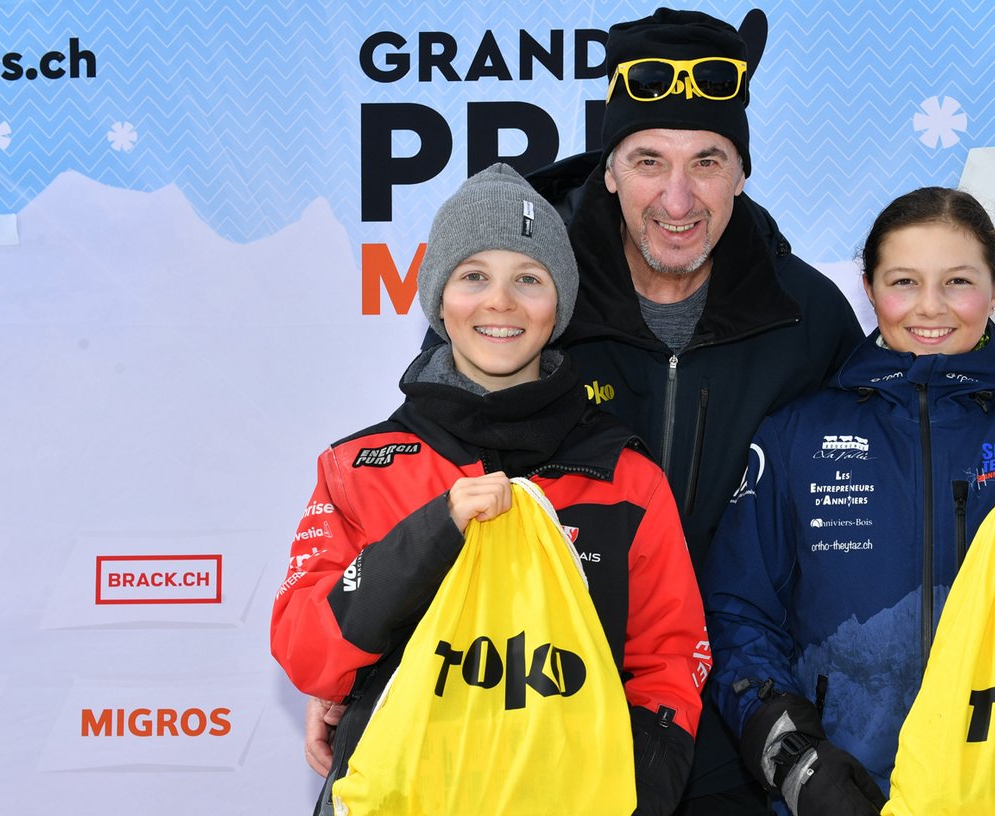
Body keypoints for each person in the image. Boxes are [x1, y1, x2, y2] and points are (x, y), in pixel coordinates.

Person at [306, 9, 866, 814]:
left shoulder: (806, 317)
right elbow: (431, 473)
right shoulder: (522, 297)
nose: (678, 198)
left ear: (742, 171)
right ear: (609, 170)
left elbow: (860, 498)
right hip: (529, 717)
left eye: (707, 161)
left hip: (736, 727)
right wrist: (359, 662)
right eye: (649, 161)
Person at [702, 187, 995, 814]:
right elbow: (737, 617)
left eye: (958, 281)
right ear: (869, 288)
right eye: (904, 281)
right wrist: (795, 762)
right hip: (848, 795)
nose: (930, 306)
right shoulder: (795, 437)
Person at [271, 163, 710, 815]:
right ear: (438, 299)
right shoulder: (358, 467)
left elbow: (669, 661)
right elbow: (308, 653)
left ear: (558, 303)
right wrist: (432, 532)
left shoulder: (624, 476)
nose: (500, 302)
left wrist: (636, 797)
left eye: (528, 279)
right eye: (473, 276)